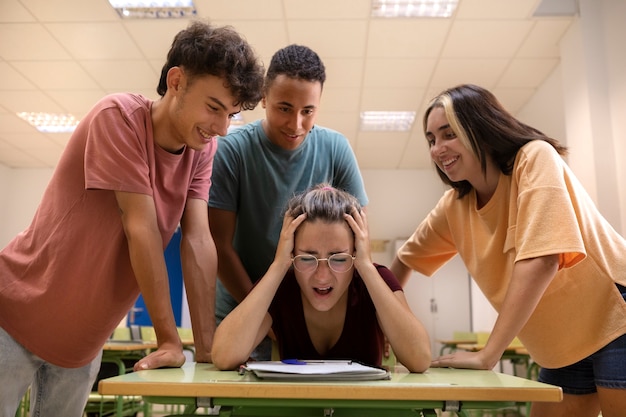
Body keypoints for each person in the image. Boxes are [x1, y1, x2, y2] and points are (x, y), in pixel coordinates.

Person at [0, 21, 264, 417]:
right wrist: (169, 341)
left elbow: (198, 241)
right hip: (16, 317)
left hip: (82, 344)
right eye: (213, 108)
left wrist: (206, 348)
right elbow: (140, 228)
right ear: (176, 81)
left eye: (231, 114)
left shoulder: (201, 152)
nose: (222, 128)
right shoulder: (118, 117)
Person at [390, 84, 626, 417]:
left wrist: (488, 354)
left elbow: (543, 260)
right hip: (560, 343)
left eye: (448, 134)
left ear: (481, 129)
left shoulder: (533, 158)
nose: (437, 149)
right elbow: (402, 262)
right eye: (431, 140)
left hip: (614, 315)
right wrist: (386, 328)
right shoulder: (454, 206)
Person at [208, 44, 368, 360]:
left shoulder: (336, 148)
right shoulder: (232, 151)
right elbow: (220, 247)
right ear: (264, 98)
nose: (296, 124)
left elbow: (359, 239)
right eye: (284, 108)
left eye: (308, 111)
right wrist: (266, 314)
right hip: (243, 302)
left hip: (311, 311)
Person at [212, 184, 431, 372]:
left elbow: (419, 359)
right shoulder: (281, 285)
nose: (322, 276)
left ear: (355, 253)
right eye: (307, 259)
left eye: (339, 259)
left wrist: (365, 266)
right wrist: (279, 265)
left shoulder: (376, 278)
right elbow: (223, 355)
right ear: (291, 253)